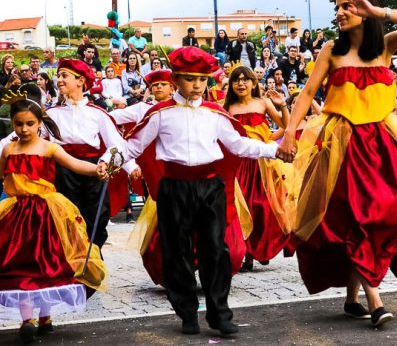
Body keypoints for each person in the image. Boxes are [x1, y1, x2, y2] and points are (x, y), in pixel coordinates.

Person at [278, 0, 397, 329]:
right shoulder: (332, 50)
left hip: (384, 140)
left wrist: (376, 10)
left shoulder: (385, 47)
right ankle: (373, 298)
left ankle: (351, 297)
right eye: (338, 8)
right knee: (356, 217)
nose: (341, 13)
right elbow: (306, 93)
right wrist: (289, 132)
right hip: (342, 144)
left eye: (347, 6)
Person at [98, 47, 289, 337]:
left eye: (203, 79)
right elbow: (131, 147)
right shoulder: (159, 113)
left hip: (210, 186)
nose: (197, 85)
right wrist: (108, 160)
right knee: (177, 252)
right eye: (190, 79)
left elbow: (239, 145)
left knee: (217, 249)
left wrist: (275, 150)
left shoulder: (216, 113)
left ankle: (219, 313)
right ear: (176, 79)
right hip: (174, 187)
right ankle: (187, 312)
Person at [0, 99, 107, 342]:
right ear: (12, 124)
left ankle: (45, 316)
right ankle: (27, 319)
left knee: (46, 263)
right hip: (16, 215)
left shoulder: (49, 148)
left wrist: (97, 169)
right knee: (20, 264)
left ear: (40, 123)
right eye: (18, 124)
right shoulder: (9, 149)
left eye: (30, 123)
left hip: (46, 213)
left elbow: (74, 164)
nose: (24, 129)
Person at [46, 58, 137, 250]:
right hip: (63, 170)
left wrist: (132, 167)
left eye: (64, 76)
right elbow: (27, 136)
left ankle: (93, 254)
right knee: (66, 214)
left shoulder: (98, 113)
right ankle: (71, 257)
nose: (59, 80)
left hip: (94, 169)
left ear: (80, 81)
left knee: (98, 214)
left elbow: (117, 144)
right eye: (58, 76)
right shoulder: (52, 114)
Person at [224, 65, 292, 270]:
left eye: (245, 79)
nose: (241, 83)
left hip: (263, 162)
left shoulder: (263, 103)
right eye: (236, 80)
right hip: (239, 163)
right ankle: (248, 255)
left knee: (264, 206)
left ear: (254, 83)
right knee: (243, 206)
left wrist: (282, 106)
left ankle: (262, 247)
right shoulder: (228, 107)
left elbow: (285, 126)